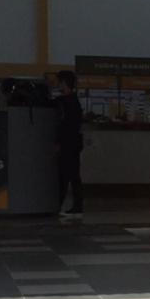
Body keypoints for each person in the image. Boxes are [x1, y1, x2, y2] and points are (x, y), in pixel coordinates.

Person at [53, 70, 84, 216]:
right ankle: (77, 205)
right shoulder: (74, 101)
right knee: (73, 175)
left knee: (64, 176)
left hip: (67, 144)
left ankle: (58, 204)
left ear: (64, 83)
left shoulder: (64, 102)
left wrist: (58, 142)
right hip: (74, 143)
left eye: (59, 82)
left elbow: (63, 125)